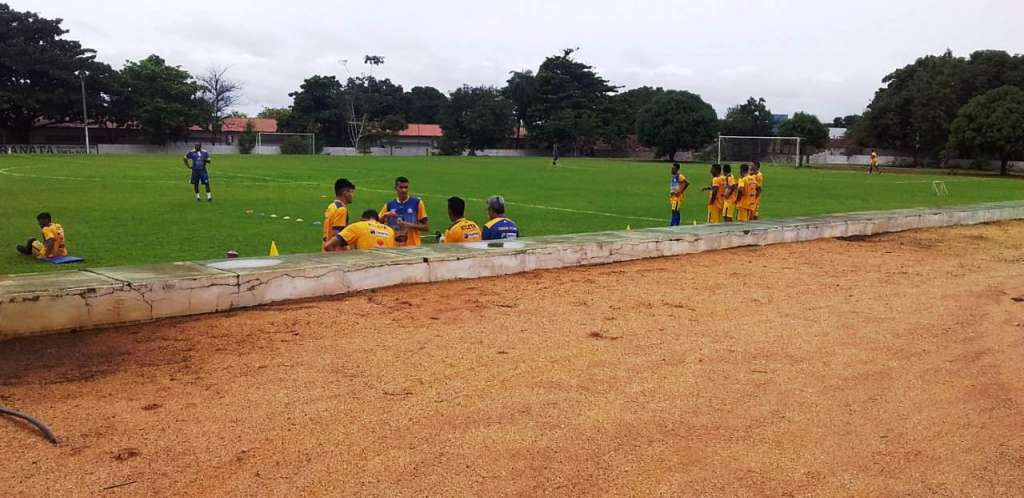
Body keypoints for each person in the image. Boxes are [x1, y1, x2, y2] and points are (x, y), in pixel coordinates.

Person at [379, 176, 428, 247]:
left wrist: (407, 224)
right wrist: (385, 215)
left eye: (406, 187)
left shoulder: (417, 203)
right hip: (394, 247)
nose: (404, 190)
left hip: (413, 247)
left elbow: (426, 227)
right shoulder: (389, 205)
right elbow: (376, 223)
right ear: (395, 188)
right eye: (401, 187)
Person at [322, 210, 396, 251]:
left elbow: (328, 245)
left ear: (362, 219)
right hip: (387, 272)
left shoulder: (358, 226)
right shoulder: (390, 231)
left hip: (365, 271)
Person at [323, 178, 355, 252]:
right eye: (351, 192)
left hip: (326, 250)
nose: (352, 195)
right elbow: (337, 235)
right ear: (345, 192)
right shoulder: (341, 210)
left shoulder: (332, 206)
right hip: (336, 253)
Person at [669, 162, 689, 226]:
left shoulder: (679, 176)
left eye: (673, 168)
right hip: (673, 196)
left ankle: (672, 225)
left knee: (674, 211)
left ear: (677, 169)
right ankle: (677, 225)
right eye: (672, 168)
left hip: (677, 197)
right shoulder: (674, 176)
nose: (672, 170)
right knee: (677, 211)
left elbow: (687, 183)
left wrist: (680, 192)